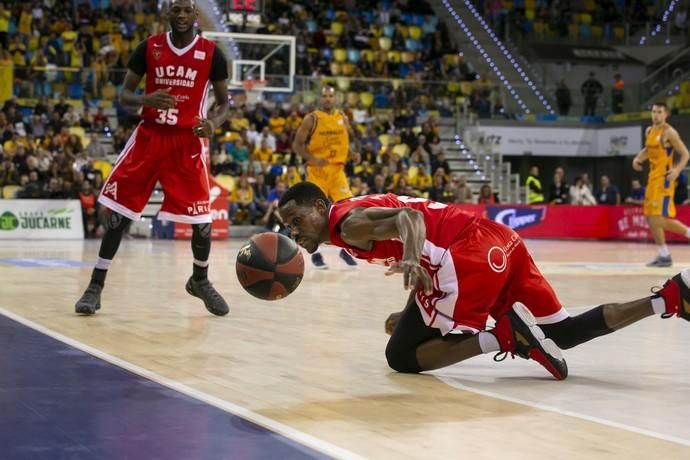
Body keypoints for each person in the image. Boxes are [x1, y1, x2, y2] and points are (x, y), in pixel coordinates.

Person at [277, 182, 690, 380]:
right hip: (499, 242)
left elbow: (412, 221)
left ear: (320, 206)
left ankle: (504, 337)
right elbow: (423, 242)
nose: (295, 232)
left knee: (400, 357)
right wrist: (413, 283)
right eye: (288, 227)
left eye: (297, 220)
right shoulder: (352, 210)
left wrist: (409, 261)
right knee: (563, 333)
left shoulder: (346, 225)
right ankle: (669, 299)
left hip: (468, 256)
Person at [74, 0, 231, 316]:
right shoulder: (149, 47)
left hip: (186, 143)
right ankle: (95, 285)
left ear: (195, 15)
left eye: (188, 10)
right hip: (149, 137)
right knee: (117, 217)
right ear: (168, 13)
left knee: (202, 222)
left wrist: (213, 122)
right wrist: (146, 98)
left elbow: (225, 103)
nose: (183, 15)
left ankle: (199, 279)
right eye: (177, 10)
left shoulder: (212, 53)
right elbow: (124, 97)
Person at [292, 85, 358, 269]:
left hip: (337, 171)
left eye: (331, 96)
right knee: (315, 216)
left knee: (350, 211)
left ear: (335, 99)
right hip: (317, 171)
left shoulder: (342, 117)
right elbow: (297, 146)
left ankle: (346, 251)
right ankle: (316, 255)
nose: (328, 99)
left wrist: (351, 153)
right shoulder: (311, 119)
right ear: (320, 99)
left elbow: (343, 142)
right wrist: (312, 158)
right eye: (325, 96)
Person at [632, 101, 690, 267]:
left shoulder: (669, 132)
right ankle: (664, 255)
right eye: (654, 111)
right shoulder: (650, 131)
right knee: (650, 219)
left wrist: (677, 170)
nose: (656, 114)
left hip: (664, 181)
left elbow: (686, 154)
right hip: (652, 179)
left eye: (659, 112)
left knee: (657, 219)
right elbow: (648, 150)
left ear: (666, 114)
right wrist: (638, 158)